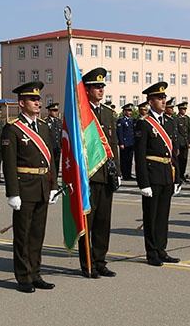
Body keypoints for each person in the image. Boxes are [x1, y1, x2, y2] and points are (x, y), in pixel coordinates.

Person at [2, 81, 57, 293]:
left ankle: (36, 273)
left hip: (43, 185)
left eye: (38, 99)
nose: (38, 102)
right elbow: (8, 164)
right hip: (24, 188)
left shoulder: (43, 127)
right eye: (33, 99)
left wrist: (53, 185)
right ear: (21, 103)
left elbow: (51, 158)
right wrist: (12, 193)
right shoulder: (12, 129)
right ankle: (23, 276)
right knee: (23, 235)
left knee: (37, 234)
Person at [79, 68, 120, 278]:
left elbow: (113, 145)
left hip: (106, 175)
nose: (100, 90)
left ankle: (100, 260)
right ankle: (88, 263)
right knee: (89, 221)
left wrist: (118, 172)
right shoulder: (80, 113)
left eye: (102, 86)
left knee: (104, 221)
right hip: (88, 176)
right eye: (96, 86)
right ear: (86, 89)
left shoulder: (108, 113)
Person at [136, 82, 179, 266]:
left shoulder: (169, 122)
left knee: (163, 215)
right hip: (152, 175)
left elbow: (173, 153)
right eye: (159, 98)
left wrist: (177, 178)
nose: (163, 101)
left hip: (166, 174)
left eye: (164, 98)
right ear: (150, 101)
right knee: (151, 216)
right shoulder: (144, 124)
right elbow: (139, 155)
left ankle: (162, 249)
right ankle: (152, 252)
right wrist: (143, 183)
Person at [175, 100, 190, 184]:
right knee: (178, 160)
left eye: (185, 109)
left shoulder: (187, 118)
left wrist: (189, 141)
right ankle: (178, 176)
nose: (184, 111)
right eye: (182, 109)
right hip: (179, 143)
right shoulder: (176, 119)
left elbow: (188, 131)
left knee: (184, 160)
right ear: (179, 109)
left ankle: (182, 174)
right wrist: (177, 145)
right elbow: (176, 132)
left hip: (185, 143)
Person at [118, 104, 136, 180]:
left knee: (129, 160)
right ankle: (124, 174)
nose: (129, 112)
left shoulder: (132, 120)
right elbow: (120, 132)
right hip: (125, 143)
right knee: (124, 160)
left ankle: (128, 174)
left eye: (130, 111)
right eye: (128, 111)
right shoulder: (121, 121)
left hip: (131, 143)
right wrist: (121, 143)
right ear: (124, 111)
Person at [44, 103, 63, 177]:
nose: (56, 112)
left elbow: (60, 134)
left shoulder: (59, 121)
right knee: (50, 166)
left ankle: (55, 181)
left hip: (57, 148)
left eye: (57, 110)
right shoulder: (45, 122)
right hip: (50, 148)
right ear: (49, 111)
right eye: (54, 110)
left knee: (57, 165)